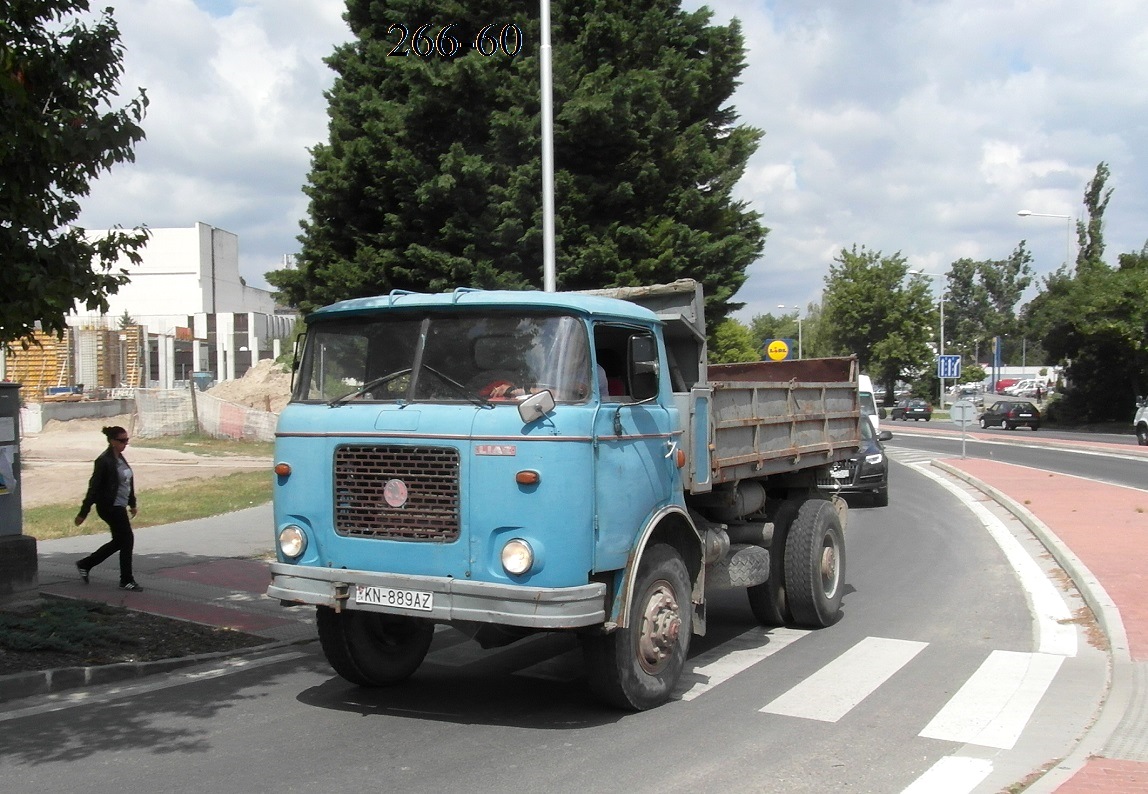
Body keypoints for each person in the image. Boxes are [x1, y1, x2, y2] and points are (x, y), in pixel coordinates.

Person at [74, 425, 143, 591]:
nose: (125, 443)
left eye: (127, 440)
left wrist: (132, 503)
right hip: (109, 506)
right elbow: (94, 488)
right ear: (112, 441)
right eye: (122, 440)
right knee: (127, 540)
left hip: (119, 504)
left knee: (121, 541)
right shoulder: (104, 461)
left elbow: (128, 482)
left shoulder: (120, 458)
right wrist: (83, 512)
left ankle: (86, 564)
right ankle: (126, 580)